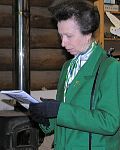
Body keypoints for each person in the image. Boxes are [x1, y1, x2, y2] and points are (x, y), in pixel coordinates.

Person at [29, 0, 120, 149]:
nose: (63, 43)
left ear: (88, 33)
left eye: (69, 36)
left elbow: (109, 123)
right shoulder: (67, 67)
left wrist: (59, 110)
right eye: (61, 36)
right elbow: (63, 119)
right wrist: (45, 118)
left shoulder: (110, 68)